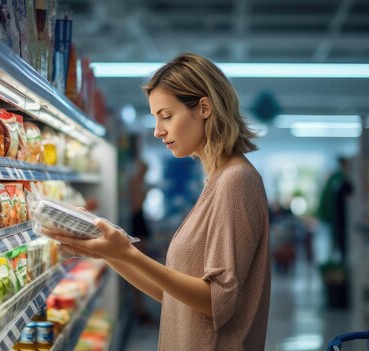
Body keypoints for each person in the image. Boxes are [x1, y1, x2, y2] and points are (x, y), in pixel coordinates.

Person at [44, 53, 270, 350]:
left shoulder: (235, 181)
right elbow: (175, 297)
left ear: (204, 108)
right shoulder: (217, 181)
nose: (157, 130)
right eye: (155, 118)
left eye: (166, 115)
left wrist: (129, 253)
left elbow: (217, 303)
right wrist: (110, 252)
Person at [128, 159, 156, 323]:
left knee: (142, 264)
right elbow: (135, 206)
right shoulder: (134, 183)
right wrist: (145, 192)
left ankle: (141, 307)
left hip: (140, 222)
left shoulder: (139, 182)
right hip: (137, 222)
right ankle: (140, 308)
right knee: (139, 264)